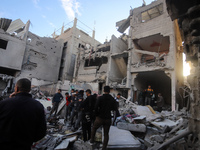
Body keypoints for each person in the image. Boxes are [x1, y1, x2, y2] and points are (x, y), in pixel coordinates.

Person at [0, 78, 46, 150]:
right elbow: (41, 132)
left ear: (17, 88)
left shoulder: (4, 104)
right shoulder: (38, 106)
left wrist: (10, 100)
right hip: (24, 146)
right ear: (29, 90)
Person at [90, 86, 117, 150]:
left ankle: (91, 141)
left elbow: (96, 107)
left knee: (94, 128)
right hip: (108, 118)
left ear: (103, 90)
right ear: (109, 91)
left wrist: (96, 115)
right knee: (106, 134)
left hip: (100, 117)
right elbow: (115, 109)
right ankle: (104, 148)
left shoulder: (100, 98)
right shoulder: (112, 99)